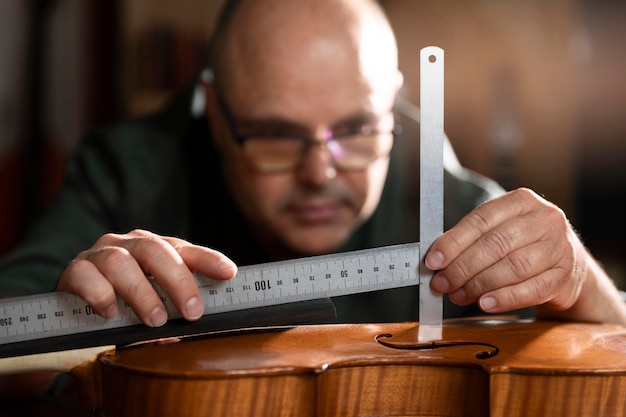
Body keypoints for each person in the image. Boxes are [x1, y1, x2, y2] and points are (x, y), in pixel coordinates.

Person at [1, 0, 626, 401]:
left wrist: (582, 281)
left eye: (356, 128)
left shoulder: (443, 188)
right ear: (214, 113)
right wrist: (75, 308)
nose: (320, 171)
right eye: (275, 134)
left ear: (393, 101)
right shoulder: (126, 168)